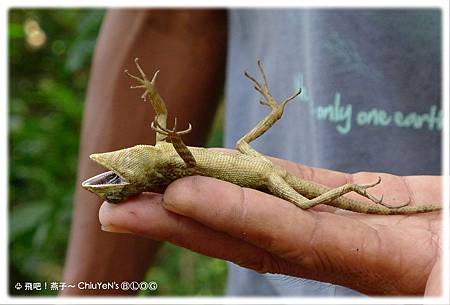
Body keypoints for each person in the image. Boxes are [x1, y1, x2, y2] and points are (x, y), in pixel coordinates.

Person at [62, 9, 442, 296]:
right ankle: (346, 192)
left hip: (255, 166)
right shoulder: (173, 166)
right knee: (307, 205)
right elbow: (190, 159)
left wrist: (153, 92)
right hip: (264, 176)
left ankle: (347, 187)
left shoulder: (163, 154)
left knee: (296, 193)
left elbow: (162, 115)